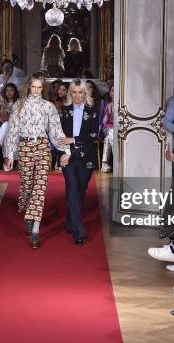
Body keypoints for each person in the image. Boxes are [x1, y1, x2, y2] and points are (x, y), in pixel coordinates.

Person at [3, 73, 71, 248]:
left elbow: (56, 130)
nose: (36, 90)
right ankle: (26, 208)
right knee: (27, 184)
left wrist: (66, 150)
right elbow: (12, 131)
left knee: (40, 186)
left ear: (43, 88)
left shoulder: (49, 107)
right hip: (25, 147)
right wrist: (10, 154)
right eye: (33, 87)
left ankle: (35, 230)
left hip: (42, 146)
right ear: (28, 87)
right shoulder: (19, 105)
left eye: (39, 87)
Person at [57, 79, 100, 245]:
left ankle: (69, 221)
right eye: (73, 92)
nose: (77, 95)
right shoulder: (64, 111)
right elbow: (59, 135)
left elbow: (94, 135)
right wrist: (64, 152)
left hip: (86, 158)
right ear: (70, 93)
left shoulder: (93, 110)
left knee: (78, 193)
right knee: (73, 189)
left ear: (85, 93)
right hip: (68, 157)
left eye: (80, 92)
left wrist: (73, 140)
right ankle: (79, 230)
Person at [0, 82, 20, 170]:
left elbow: (17, 118)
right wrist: (2, 107)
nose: (9, 92)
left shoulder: (19, 102)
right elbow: (1, 120)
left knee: (8, 127)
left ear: (15, 92)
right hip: (5, 129)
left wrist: (9, 111)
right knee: (6, 126)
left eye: (11, 90)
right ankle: (8, 161)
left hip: (17, 128)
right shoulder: (2, 103)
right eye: (7, 90)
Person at [101, 85, 114, 173]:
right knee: (111, 135)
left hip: (119, 129)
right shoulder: (109, 105)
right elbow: (105, 122)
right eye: (112, 90)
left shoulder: (124, 105)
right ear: (110, 93)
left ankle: (104, 163)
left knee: (108, 139)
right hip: (109, 128)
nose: (114, 92)